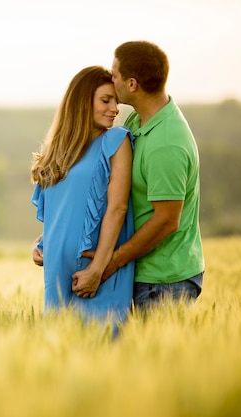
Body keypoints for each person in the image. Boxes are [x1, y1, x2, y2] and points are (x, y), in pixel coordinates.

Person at [37, 41, 205, 312]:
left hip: (165, 279)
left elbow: (166, 221)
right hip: (141, 272)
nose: (111, 79)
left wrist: (108, 263)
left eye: (115, 75)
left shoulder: (166, 143)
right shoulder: (136, 122)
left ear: (132, 84)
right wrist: (48, 239)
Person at [30, 65, 135, 326]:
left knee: (104, 348)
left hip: (96, 275)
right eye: (105, 100)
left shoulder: (116, 141)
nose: (114, 109)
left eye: (116, 101)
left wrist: (97, 270)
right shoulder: (56, 151)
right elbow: (63, 210)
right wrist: (42, 243)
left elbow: (117, 209)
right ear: (81, 102)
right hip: (57, 276)